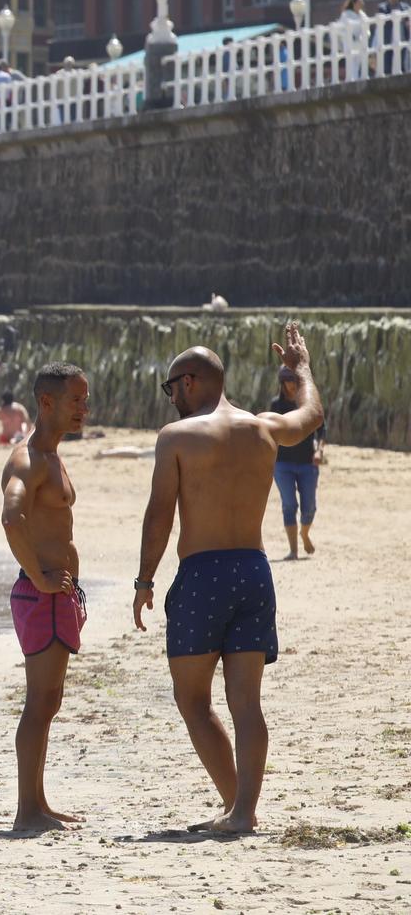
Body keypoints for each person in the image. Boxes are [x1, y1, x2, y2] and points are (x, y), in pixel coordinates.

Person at [133, 325, 322, 834]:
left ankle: (240, 806)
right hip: (253, 571)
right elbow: (311, 416)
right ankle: (239, 811)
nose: (170, 398)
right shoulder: (262, 428)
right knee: (247, 704)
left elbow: (159, 516)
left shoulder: (177, 437)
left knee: (192, 701)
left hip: (203, 574)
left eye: (171, 388)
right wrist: (302, 369)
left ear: (190, 382)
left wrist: (144, 580)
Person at [0, 362, 91, 833]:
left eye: (86, 398)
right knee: (39, 702)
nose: (84, 408)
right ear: (46, 402)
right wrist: (39, 578)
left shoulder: (53, 456)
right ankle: (26, 811)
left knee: (49, 701)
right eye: (75, 399)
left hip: (56, 596)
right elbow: (12, 519)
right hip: (43, 597)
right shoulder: (28, 459)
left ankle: (37, 802)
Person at [268, 366, 325, 560]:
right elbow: (270, 432)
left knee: (309, 507)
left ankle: (305, 533)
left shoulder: (308, 406)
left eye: (295, 381)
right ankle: (293, 550)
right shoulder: (276, 406)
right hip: (282, 464)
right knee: (289, 505)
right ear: (282, 383)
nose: (292, 385)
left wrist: (319, 451)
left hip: (308, 463)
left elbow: (321, 429)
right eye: (288, 381)